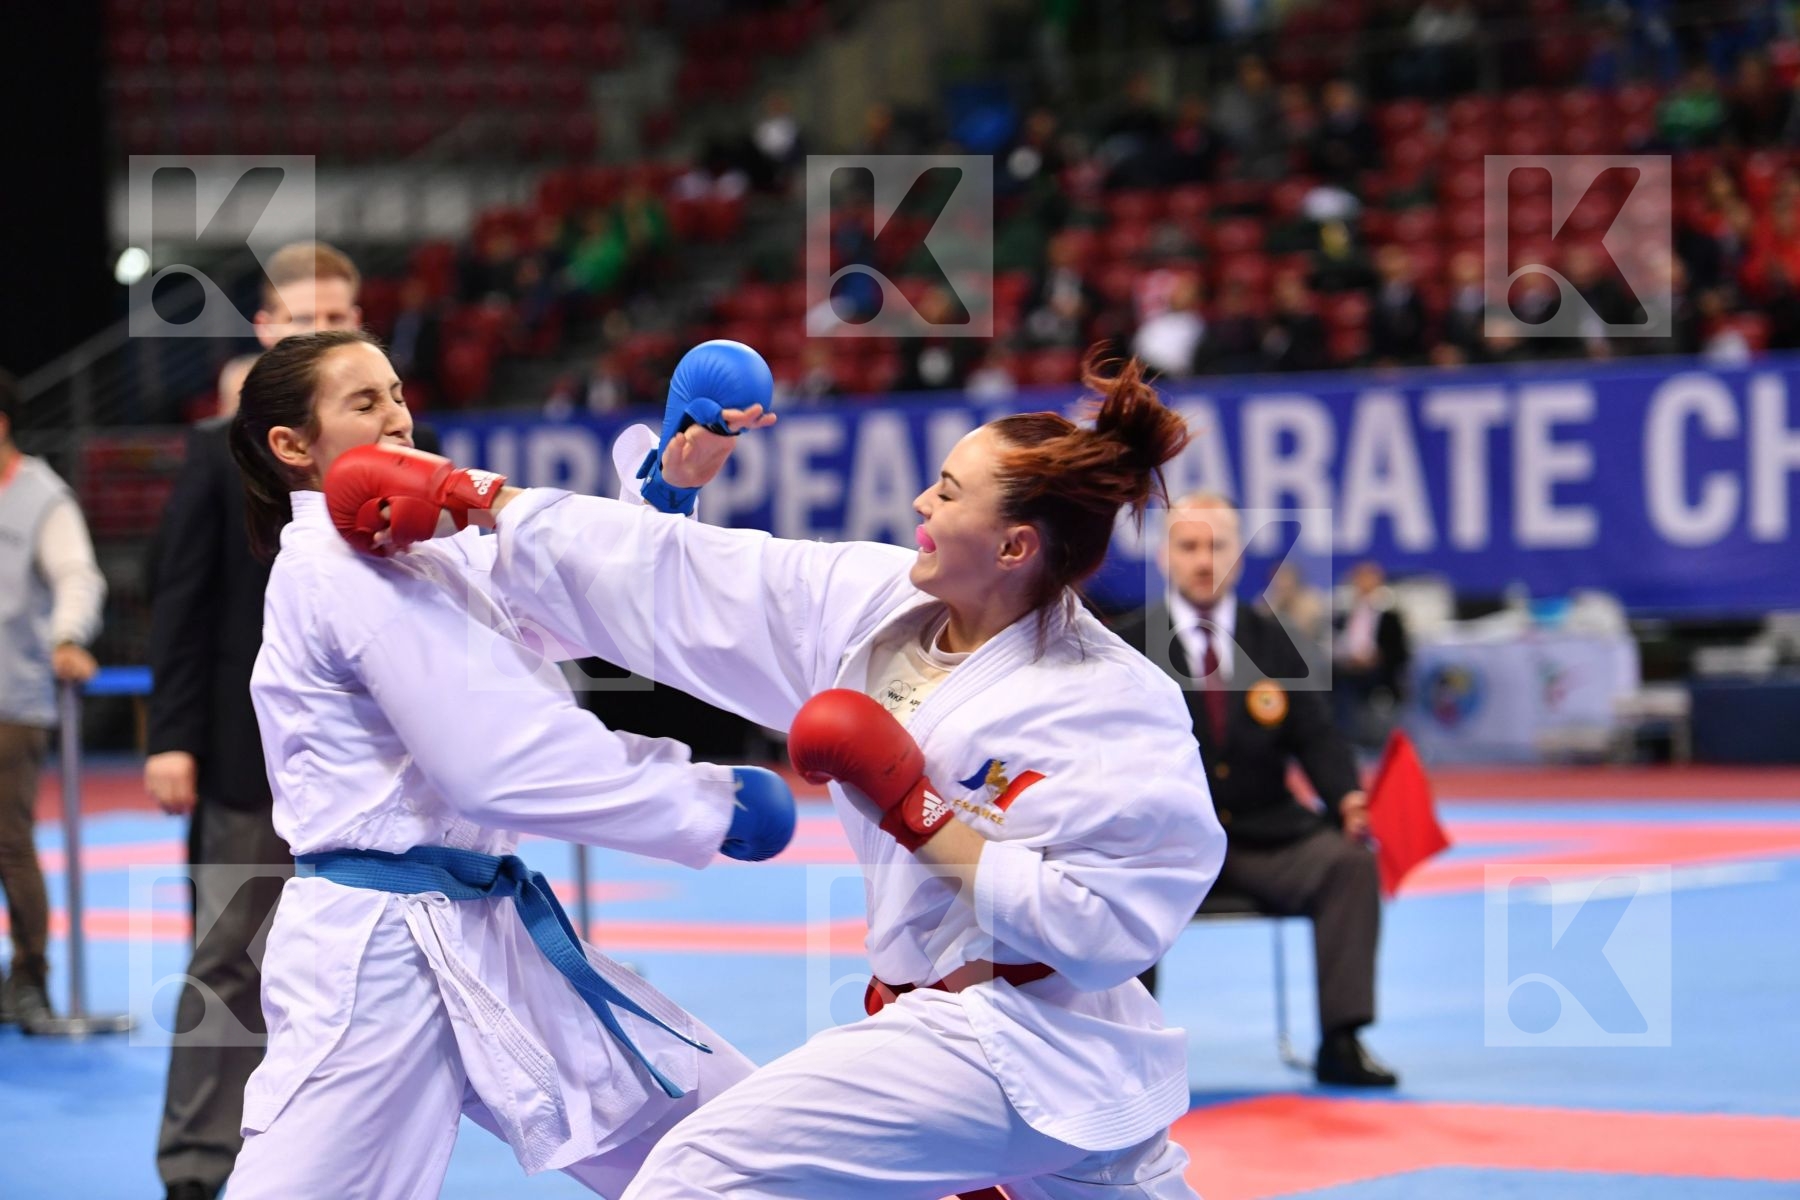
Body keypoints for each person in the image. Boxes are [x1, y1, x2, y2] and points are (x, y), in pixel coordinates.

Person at [334, 356, 1228, 1197]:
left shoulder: (1113, 702)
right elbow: (694, 579)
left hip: (1030, 1037)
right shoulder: (879, 604)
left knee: (703, 1169)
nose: (921, 499)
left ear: (1013, 548)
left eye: (949, 493)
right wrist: (484, 500)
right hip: (939, 1025)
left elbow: (1108, 925)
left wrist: (917, 811)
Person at [220, 330, 794, 1198]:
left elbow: (561, 598)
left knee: (726, 1144)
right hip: (376, 958)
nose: (398, 417)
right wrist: (702, 803)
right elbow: (493, 757)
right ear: (294, 447)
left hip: (483, 930)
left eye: (399, 394)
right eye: (364, 403)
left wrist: (668, 493)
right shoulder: (328, 571)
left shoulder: (422, 550)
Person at [148, 244, 375, 1200]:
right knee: (229, 963)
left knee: (358, 981)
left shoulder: (393, 460)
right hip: (248, 765)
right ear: (266, 329)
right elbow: (182, 603)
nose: (322, 332)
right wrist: (172, 737)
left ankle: (330, 1162)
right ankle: (200, 1164)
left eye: (340, 318)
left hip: (367, 775)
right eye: (304, 317)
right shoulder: (215, 454)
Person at [1111, 493, 1398, 1088]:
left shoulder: (1278, 642)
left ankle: (1342, 1041)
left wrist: (1346, 798)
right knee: (1110, 881)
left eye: (1216, 546)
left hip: (1270, 838)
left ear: (1237, 558)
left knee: (1347, 865)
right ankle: (1124, 1053)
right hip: (1166, 846)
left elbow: (1319, 737)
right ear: (1164, 556)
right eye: (1189, 546)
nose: (1203, 559)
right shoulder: (1127, 645)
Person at [0, 367, 105, 1030]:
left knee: (8, 843)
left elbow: (78, 576)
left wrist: (68, 635)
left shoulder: (43, 496)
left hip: (10, 701)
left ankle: (30, 980)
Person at [1333, 560, 1411, 749]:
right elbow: (1334, 643)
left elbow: (1401, 652)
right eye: (1359, 578)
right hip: (1347, 669)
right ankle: (1342, 739)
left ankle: (1373, 741)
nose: (1363, 583)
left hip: (1379, 672)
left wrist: (1377, 657)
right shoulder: (1344, 614)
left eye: (1368, 578)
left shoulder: (1390, 616)